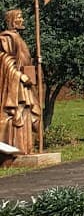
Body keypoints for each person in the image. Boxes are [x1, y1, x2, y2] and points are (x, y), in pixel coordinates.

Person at [0, 8, 39, 157]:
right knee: (18, 113)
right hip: (16, 84)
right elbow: (4, 61)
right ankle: (14, 149)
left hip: (26, 83)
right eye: (19, 17)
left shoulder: (18, 38)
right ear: (12, 20)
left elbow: (24, 60)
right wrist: (19, 76)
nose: (22, 20)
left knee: (26, 113)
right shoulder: (7, 38)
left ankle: (25, 148)